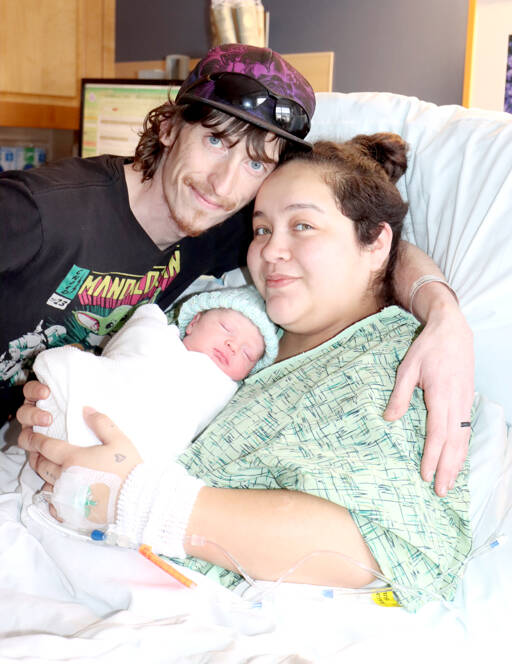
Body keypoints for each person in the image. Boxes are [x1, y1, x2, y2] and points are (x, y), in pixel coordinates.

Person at [18, 134, 473, 611]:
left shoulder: (395, 358)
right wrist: (63, 412)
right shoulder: (237, 317)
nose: (272, 251)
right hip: (64, 554)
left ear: (377, 243)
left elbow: (382, 547)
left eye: (302, 226)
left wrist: (132, 494)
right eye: (261, 230)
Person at [12, 44, 473, 495]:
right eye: (216, 140)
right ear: (170, 126)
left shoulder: (226, 228)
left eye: (255, 162)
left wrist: (445, 318)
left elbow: (370, 244)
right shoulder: (36, 212)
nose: (224, 183)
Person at [32, 285, 278, 461]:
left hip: (138, 455)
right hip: (91, 406)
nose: (233, 346)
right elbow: (131, 348)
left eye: (247, 354)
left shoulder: (224, 392)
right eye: (226, 328)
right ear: (193, 323)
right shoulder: (158, 336)